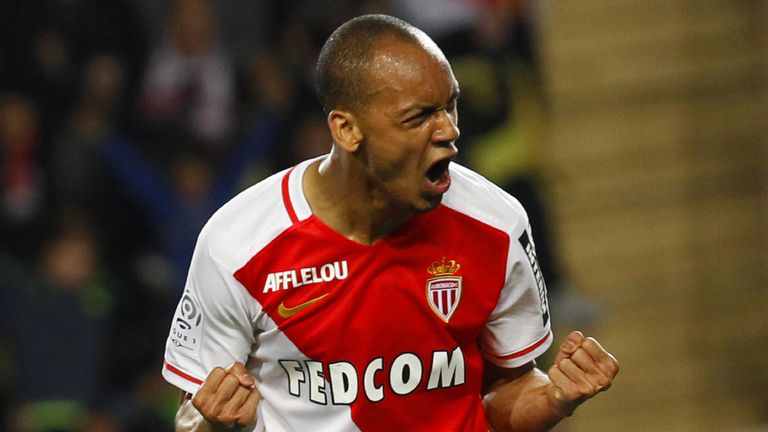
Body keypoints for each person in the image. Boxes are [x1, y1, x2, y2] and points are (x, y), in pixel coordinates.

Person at [162, 14, 619, 432]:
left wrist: (556, 397)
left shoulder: (496, 225)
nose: (448, 131)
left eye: (450, 106)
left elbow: (505, 396)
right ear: (346, 130)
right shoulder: (239, 246)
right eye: (418, 116)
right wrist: (217, 426)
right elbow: (194, 413)